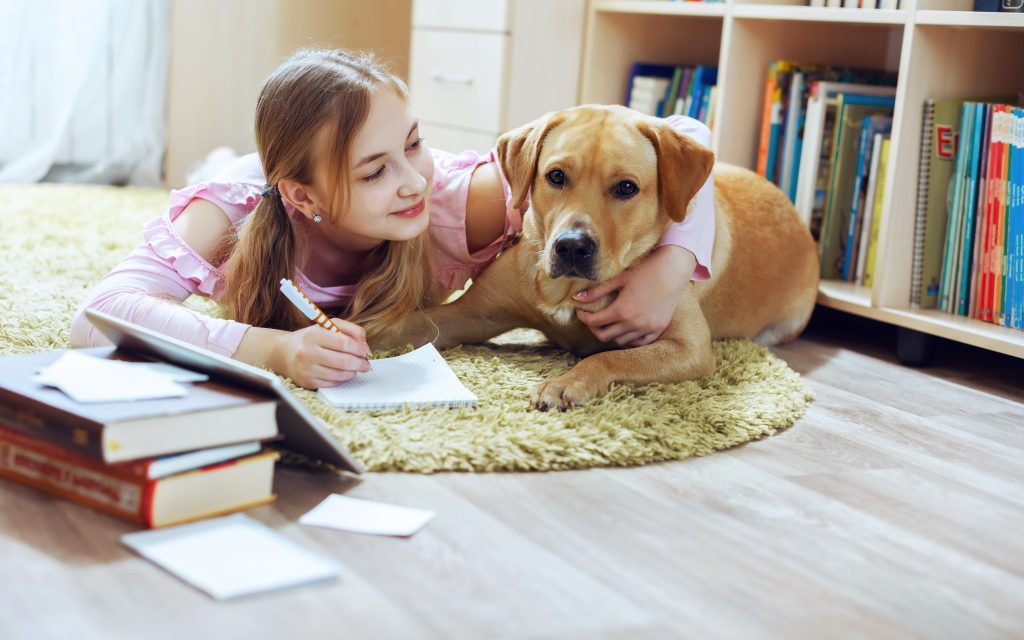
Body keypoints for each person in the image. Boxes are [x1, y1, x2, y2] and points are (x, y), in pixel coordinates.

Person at [70, 48, 716, 390]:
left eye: (413, 142)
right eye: (374, 169)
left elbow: (682, 135)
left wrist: (672, 262)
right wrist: (272, 349)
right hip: (251, 179)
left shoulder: (454, 196)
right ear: (303, 197)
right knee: (218, 174)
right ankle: (211, 158)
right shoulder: (237, 207)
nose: (411, 180)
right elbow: (98, 313)